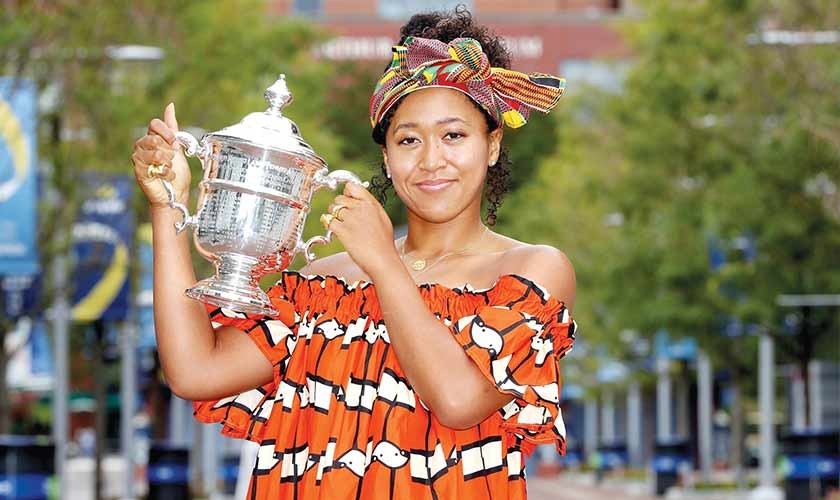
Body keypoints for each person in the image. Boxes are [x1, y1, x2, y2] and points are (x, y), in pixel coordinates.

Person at [131, 8, 577, 499]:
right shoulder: (325, 284)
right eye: (408, 140)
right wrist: (167, 205)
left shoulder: (531, 271)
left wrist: (383, 263)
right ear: (386, 157)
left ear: (491, 145)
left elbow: (457, 400)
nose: (432, 159)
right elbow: (195, 370)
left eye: (454, 135)